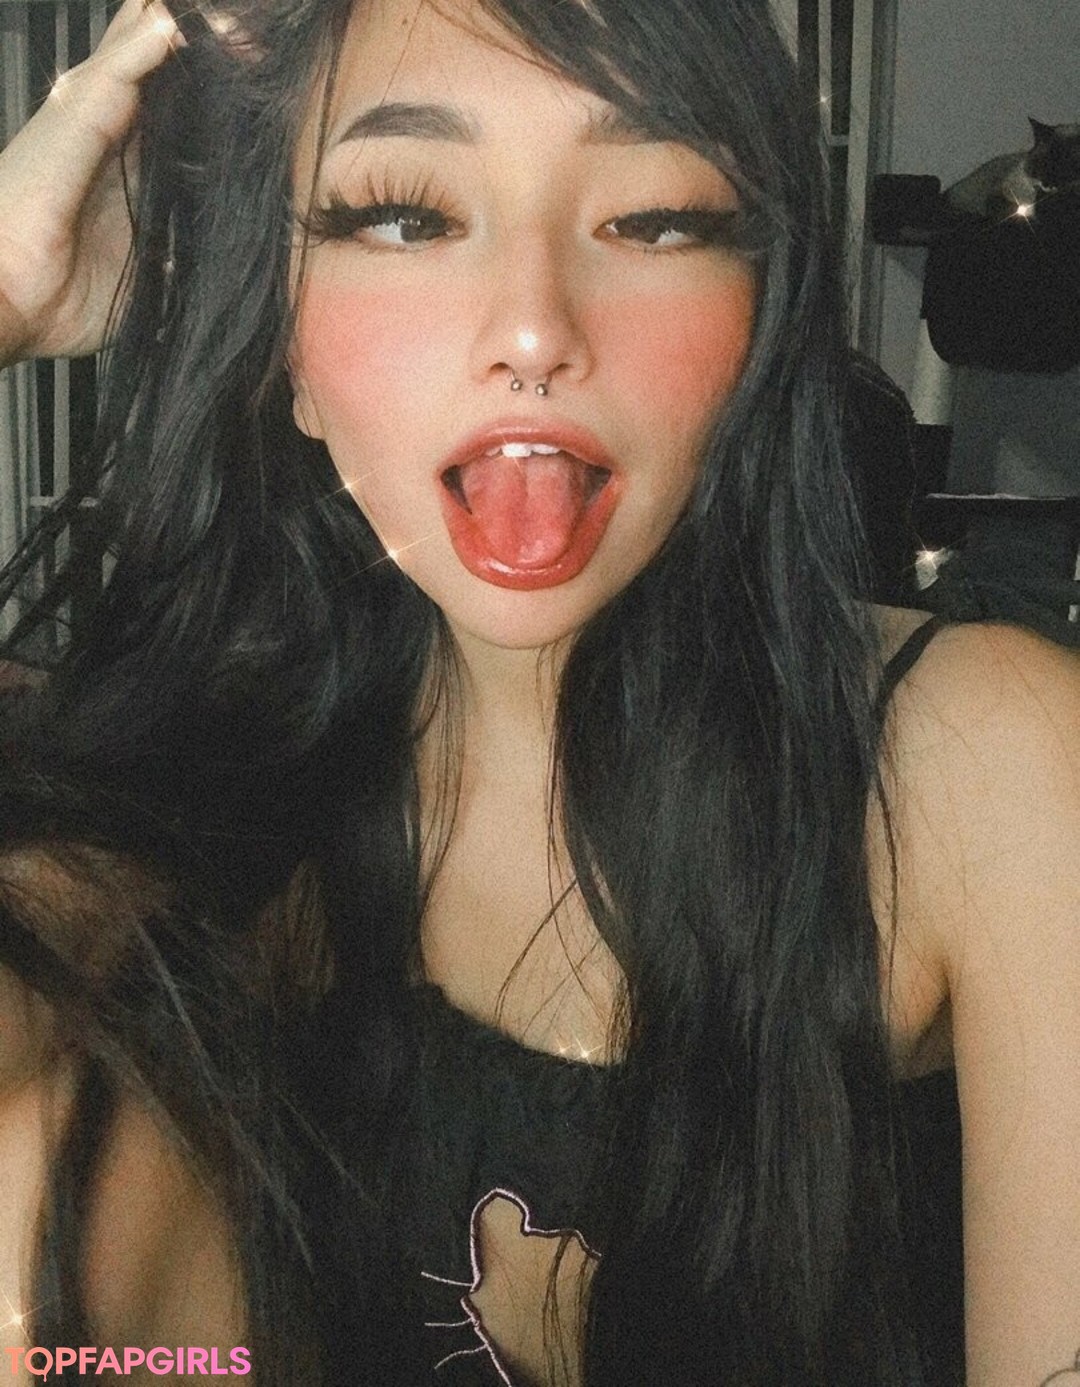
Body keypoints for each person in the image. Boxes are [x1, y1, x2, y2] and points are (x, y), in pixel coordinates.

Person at [0, 0, 1078, 1383]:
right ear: (283, 353)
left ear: (759, 322)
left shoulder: (983, 763)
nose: (531, 330)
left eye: (654, 220)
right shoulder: (173, 823)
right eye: (403, 216)